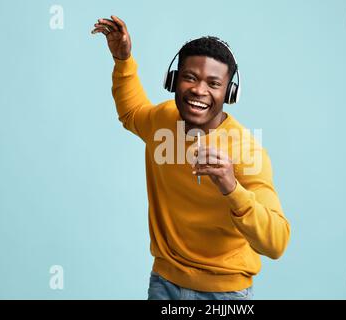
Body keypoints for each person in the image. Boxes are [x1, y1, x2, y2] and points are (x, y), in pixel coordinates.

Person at [92, 15, 291, 300]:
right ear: (173, 80)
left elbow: (277, 242)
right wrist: (123, 60)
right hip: (164, 283)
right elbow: (132, 112)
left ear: (229, 92)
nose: (199, 90)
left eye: (214, 83)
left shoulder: (246, 150)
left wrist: (232, 188)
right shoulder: (162, 120)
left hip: (224, 294)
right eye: (190, 77)